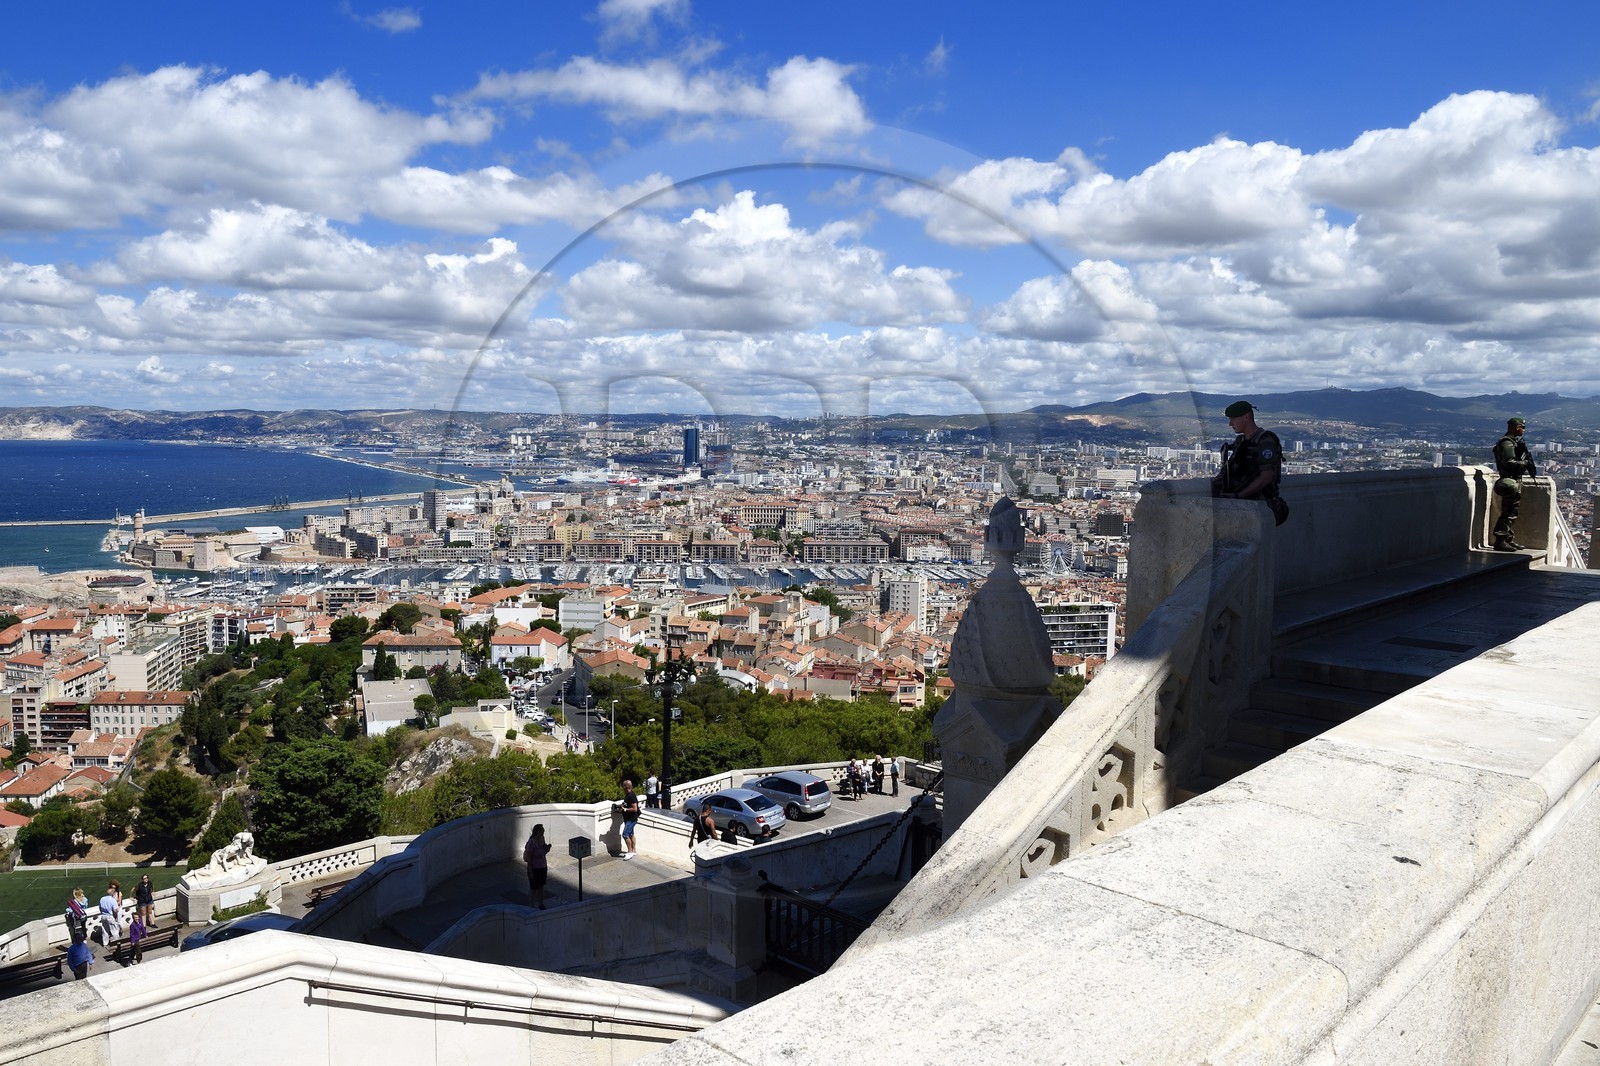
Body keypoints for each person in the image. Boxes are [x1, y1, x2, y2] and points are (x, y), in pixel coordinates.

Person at [1211, 400, 1287, 524]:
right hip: (1243, 505)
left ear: (1246, 417)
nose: (1230, 424)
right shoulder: (1240, 442)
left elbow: (1266, 477)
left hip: (1260, 506)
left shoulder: (1265, 441)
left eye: (1233, 419)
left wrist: (1239, 496)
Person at [1492, 416, 1537, 551]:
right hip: (1509, 481)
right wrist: (1525, 463)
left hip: (1513, 480)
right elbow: (1509, 462)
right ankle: (1500, 540)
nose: (1523, 430)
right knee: (1509, 512)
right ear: (1517, 427)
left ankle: (1507, 538)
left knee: (1511, 511)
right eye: (1522, 427)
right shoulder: (1507, 443)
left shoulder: (1513, 442)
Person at [523, 824, 552, 909]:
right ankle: (531, 906)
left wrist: (548, 847)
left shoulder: (542, 839)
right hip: (534, 869)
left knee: (541, 887)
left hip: (542, 866)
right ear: (538, 831)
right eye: (542, 830)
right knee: (533, 888)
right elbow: (529, 858)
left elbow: (543, 848)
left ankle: (541, 904)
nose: (544, 832)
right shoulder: (532, 842)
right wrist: (530, 871)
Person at [620, 778, 640, 860]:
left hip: (631, 820)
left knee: (625, 835)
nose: (622, 788)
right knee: (631, 834)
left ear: (626, 787)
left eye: (623, 786)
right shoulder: (628, 795)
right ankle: (634, 850)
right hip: (629, 819)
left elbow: (635, 808)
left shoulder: (631, 796)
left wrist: (625, 809)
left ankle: (630, 852)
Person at [97, 882, 122, 946]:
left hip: (103, 916)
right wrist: (116, 918)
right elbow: (115, 910)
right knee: (114, 931)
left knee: (105, 931)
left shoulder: (102, 898)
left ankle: (105, 943)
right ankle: (117, 943)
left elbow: (100, 907)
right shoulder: (113, 900)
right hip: (110, 916)